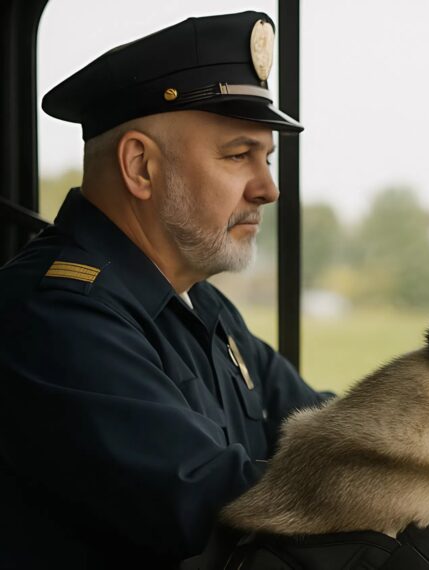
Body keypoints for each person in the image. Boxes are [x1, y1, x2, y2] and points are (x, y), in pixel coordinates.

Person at [0, 11, 331, 568]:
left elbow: (320, 428)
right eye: (237, 155)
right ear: (140, 167)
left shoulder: (199, 301)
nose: (268, 188)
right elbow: (214, 508)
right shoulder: (52, 316)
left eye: (267, 158)